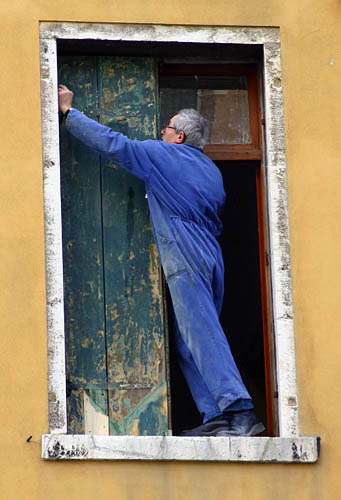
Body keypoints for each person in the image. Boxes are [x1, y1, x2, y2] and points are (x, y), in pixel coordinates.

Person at [58, 84, 265, 437]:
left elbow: (114, 144)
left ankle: (240, 411)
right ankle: (217, 416)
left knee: (201, 332)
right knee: (189, 340)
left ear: (179, 136)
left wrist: (68, 114)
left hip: (186, 252)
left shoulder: (164, 156)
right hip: (211, 255)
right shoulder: (212, 171)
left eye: (166, 128)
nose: (161, 132)